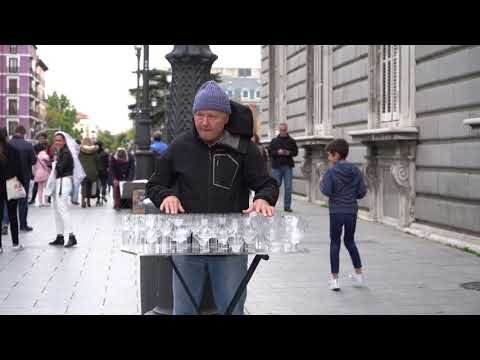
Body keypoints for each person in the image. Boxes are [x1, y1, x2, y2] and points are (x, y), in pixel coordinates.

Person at [146, 80, 279, 315]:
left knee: (231, 308)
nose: (204, 122)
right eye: (199, 115)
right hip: (187, 243)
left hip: (230, 245)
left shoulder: (244, 148)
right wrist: (166, 196)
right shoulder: (179, 146)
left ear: (226, 118)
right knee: (184, 311)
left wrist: (263, 198)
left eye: (212, 116)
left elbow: (266, 183)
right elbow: (154, 185)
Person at [319, 138, 367, 291]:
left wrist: (322, 181)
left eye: (330, 155)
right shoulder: (355, 170)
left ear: (336, 155)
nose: (328, 157)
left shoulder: (331, 172)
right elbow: (361, 192)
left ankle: (334, 280)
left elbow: (327, 191)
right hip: (351, 211)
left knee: (335, 243)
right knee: (350, 241)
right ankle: (359, 276)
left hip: (336, 212)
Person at [48, 132, 85, 248]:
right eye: (56, 140)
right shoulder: (61, 152)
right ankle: (60, 236)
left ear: (64, 141)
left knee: (63, 209)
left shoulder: (66, 153)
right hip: (59, 182)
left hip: (63, 182)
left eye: (59, 140)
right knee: (57, 210)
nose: (57, 142)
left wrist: (53, 163)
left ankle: (71, 236)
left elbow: (60, 168)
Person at [0, 127, 25, 253]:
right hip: (10, 185)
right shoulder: (14, 151)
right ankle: (15, 244)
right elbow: (19, 170)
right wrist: (22, 184)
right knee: (12, 215)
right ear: (7, 136)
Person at [9, 125, 36, 231]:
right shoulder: (28, 145)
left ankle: (5, 225)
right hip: (24, 177)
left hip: (10, 177)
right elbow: (33, 161)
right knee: (23, 202)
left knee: (9, 202)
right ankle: (23, 225)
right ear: (24, 134)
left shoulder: (8, 144)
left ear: (15, 132)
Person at [268, 123, 298, 212]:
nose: (282, 132)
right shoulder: (274, 141)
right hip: (276, 166)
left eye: (284, 130)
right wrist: (277, 152)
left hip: (287, 166)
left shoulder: (291, 141)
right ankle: (271, 204)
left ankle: (287, 206)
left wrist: (288, 153)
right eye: (281, 130)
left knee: (288, 187)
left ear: (287, 130)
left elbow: (295, 152)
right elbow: (270, 152)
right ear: (279, 130)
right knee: (275, 186)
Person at [30, 132, 53, 205]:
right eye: (40, 138)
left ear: (45, 139)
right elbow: (49, 158)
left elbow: (33, 164)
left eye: (42, 138)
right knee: (45, 187)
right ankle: (44, 201)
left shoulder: (48, 146)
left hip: (39, 171)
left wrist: (34, 172)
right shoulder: (40, 149)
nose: (41, 140)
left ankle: (42, 202)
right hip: (45, 171)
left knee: (40, 187)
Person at [78, 138, 99, 208]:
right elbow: (97, 160)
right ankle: (88, 201)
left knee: (83, 186)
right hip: (92, 170)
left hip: (82, 170)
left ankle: (83, 200)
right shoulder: (94, 151)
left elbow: (78, 159)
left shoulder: (80, 151)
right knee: (89, 186)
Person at [70, 139, 82, 205]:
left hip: (71, 169)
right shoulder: (80, 150)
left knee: (71, 184)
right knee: (76, 185)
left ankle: (72, 198)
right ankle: (74, 199)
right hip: (77, 170)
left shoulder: (71, 149)